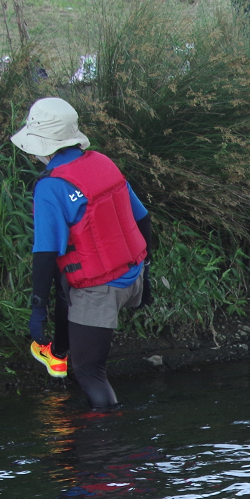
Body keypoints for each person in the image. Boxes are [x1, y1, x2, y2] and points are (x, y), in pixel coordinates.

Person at [11, 98, 153, 412]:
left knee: (90, 372)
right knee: (70, 275)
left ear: (41, 146)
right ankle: (57, 354)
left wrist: (37, 309)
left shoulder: (50, 187)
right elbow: (143, 219)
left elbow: (45, 254)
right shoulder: (103, 162)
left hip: (98, 292)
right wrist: (147, 275)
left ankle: (105, 451)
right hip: (133, 276)